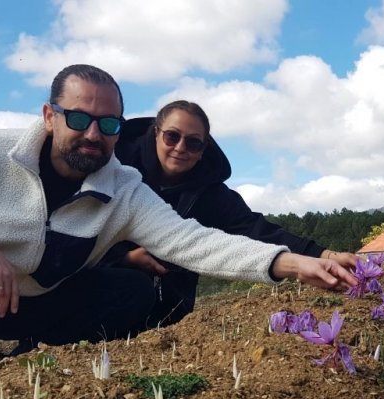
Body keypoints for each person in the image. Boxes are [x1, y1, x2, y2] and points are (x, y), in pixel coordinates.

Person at [0, 64, 356, 399]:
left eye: (108, 123)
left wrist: (294, 263)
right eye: (79, 119)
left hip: (42, 306)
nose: (93, 135)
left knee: (131, 291)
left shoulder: (125, 188)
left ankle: (36, 364)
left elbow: (195, 241)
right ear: (50, 116)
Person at [102, 100, 358, 328]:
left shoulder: (211, 193)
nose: (180, 147)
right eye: (172, 136)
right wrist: (123, 257)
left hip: (174, 299)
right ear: (156, 133)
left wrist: (324, 255)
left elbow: (255, 229)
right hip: (108, 288)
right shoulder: (115, 172)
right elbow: (87, 229)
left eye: (193, 143)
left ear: (203, 150)